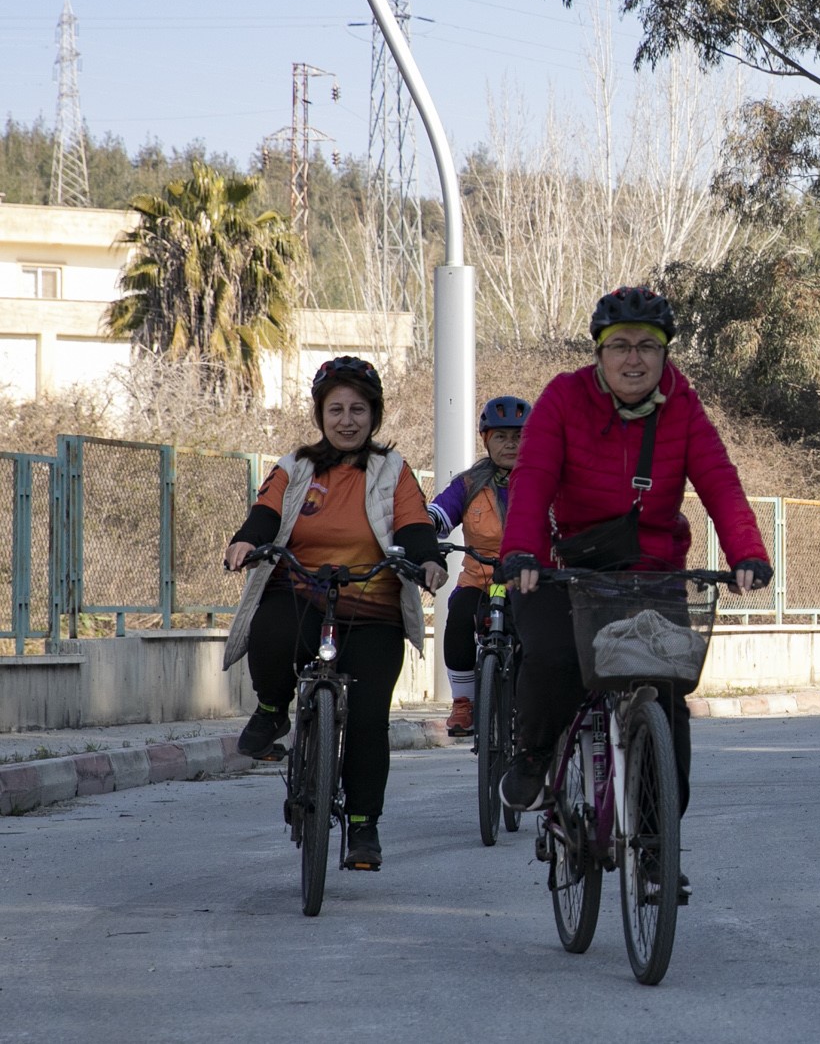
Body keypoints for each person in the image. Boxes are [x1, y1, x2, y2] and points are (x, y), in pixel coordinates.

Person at [496, 288, 774, 868]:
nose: (634, 359)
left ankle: (654, 835)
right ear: (598, 353)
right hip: (566, 570)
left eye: (649, 346)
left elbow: (720, 482)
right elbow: (533, 476)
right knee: (552, 656)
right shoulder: (563, 398)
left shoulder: (684, 407)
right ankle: (535, 754)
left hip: (651, 572)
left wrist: (747, 551)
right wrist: (522, 552)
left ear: (666, 354)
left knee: (667, 694)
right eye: (619, 345)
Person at [222, 356, 447, 872]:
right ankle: (272, 710)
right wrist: (245, 541)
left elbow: (413, 525)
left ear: (375, 415)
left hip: (373, 606)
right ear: (320, 415)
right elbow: (266, 513)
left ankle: (364, 828)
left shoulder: (394, 470)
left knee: (369, 721)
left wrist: (428, 560)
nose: (347, 420)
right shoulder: (295, 466)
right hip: (302, 591)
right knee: (271, 630)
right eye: (336, 409)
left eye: (359, 410)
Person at [427, 395, 532, 737]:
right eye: (501, 437)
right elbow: (440, 513)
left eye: (518, 437)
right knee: (457, 616)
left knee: (533, 633)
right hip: (481, 578)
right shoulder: (469, 483)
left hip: (528, 579)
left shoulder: (545, 480)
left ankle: (528, 704)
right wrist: (423, 529)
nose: (510, 444)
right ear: (486, 440)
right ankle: (463, 704)